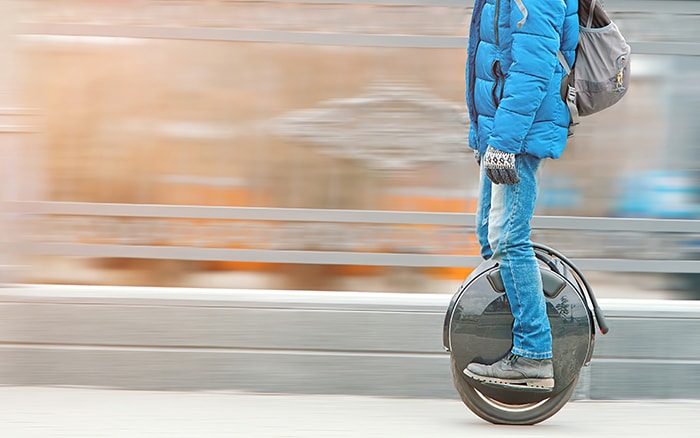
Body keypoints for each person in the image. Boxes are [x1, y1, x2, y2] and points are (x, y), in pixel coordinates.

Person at [461, 0, 579, 391]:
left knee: (509, 239)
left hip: (519, 134)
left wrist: (504, 144)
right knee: (489, 236)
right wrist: (483, 138)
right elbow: (488, 61)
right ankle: (507, 336)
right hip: (501, 129)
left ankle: (534, 353)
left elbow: (533, 68)